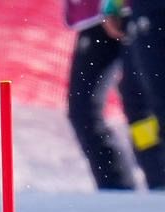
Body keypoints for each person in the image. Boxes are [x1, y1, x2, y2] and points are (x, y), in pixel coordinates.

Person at [65, 0, 165, 189]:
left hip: (137, 12)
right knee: (82, 110)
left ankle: (158, 178)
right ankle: (118, 189)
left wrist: (113, 5)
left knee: (140, 105)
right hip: (96, 16)